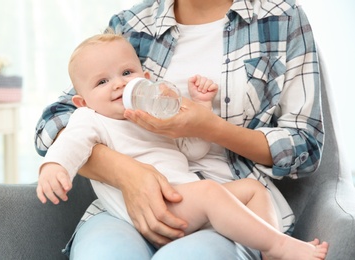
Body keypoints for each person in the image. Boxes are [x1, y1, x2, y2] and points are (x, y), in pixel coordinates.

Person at [34, 0, 326, 259]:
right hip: (144, 203)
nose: (119, 84)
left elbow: (191, 149)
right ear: (82, 101)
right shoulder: (90, 112)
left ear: (145, 77)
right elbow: (62, 133)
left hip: (188, 195)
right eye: (103, 82)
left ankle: (270, 249)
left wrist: (204, 121)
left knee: (252, 191)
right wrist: (60, 167)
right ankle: (279, 246)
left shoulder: (281, 17)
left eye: (127, 73)